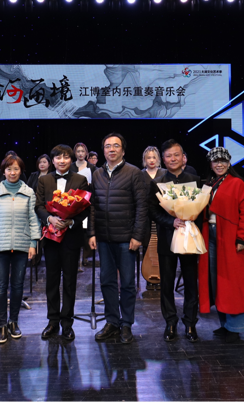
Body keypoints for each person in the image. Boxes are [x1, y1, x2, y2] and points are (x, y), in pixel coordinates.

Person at [88, 133, 150, 344]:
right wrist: (92, 232)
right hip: (104, 238)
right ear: (103, 150)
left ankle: (126, 324)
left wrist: (137, 236)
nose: (111, 149)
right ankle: (112, 322)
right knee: (107, 282)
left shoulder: (134, 173)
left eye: (116, 146)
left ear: (123, 150)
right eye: (108, 146)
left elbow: (142, 207)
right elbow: (92, 206)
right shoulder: (97, 174)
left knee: (128, 284)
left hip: (126, 239)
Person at [198, 146, 244, 344]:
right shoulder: (209, 184)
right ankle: (224, 324)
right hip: (211, 235)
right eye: (216, 161)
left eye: (223, 161)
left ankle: (235, 327)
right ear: (211, 164)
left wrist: (241, 238)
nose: (219, 164)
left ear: (229, 163)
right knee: (216, 280)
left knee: (232, 282)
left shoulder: (237, 183)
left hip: (230, 237)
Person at [0, 154, 40, 344]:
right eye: (9, 169)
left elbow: (33, 219)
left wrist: (33, 243)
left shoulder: (28, 192)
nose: (12, 172)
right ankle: (2, 325)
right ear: (3, 171)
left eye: (16, 169)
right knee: (0, 285)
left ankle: (14, 322)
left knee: (18, 285)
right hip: (0, 244)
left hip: (22, 244)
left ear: (21, 171)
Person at [147, 140, 202, 342]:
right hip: (167, 238)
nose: (173, 159)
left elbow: (201, 209)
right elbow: (152, 211)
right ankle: (170, 322)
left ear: (183, 157)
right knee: (167, 284)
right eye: (169, 156)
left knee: (191, 283)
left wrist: (192, 223)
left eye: (176, 155)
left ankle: (190, 323)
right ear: (163, 159)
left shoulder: (195, 180)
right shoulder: (158, 182)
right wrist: (172, 221)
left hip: (190, 238)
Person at [36, 145, 91, 342]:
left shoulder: (80, 180)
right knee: (51, 280)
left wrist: (71, 221)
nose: (62, 161)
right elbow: (38, 206)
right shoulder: (44, 180)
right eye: (58, 157)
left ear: (71, 159)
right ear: (52, 161)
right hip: (51, 238)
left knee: (69, 281)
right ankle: (52, 321)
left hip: (71, 237)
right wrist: (49, 219)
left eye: (66, 157)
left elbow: (85, 208)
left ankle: (67, 323)